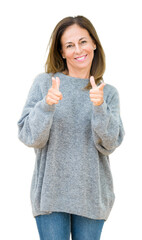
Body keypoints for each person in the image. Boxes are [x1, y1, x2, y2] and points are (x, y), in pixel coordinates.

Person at [17, 15, 125, 240]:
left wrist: (99, 108)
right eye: (69, 45)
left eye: (83, 41)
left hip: (92, 196)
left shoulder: (108, 92)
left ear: (94, 43)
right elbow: (29, 137)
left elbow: (111, 143)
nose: (78, 50)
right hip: (50, 196)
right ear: (62, 52)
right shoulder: (45, 83)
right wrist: (46, 105)